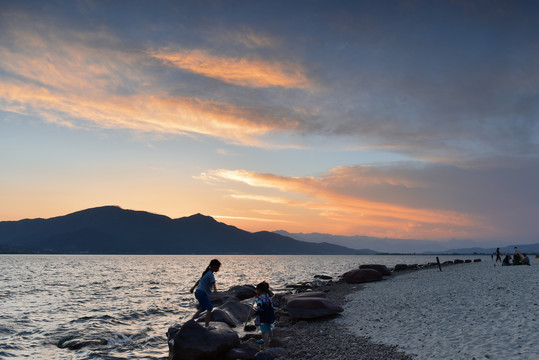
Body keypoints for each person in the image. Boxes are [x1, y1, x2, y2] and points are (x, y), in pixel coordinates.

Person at [190, 259, 221, 330]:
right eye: (218, 267)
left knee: (203, 308)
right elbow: (214, 285)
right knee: (210, 307)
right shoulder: (210, 274)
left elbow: (199, 281)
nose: (218, 269)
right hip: (201, 292)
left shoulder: (206, 273)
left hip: (198, 292)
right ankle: (207, 326)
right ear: (213, 266)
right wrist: (216, 294)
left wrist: (193, 288)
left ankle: (191, 321)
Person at [255, 281, 275, 350]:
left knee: (264, 332)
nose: (256, 291)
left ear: (260, 290)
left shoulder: (260, 299)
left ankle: (267, 346)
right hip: (270, 316)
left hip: (263, 317)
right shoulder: (268, 297)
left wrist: (256, 313)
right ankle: (271, 341)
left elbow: (260, 309)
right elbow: (272, 306)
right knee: (269, 329)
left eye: (257, 290)